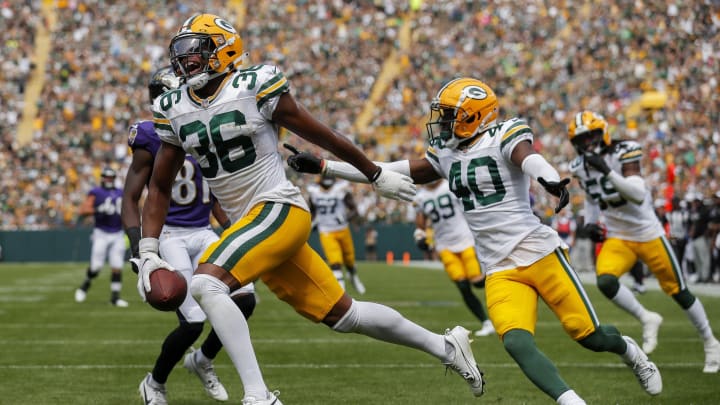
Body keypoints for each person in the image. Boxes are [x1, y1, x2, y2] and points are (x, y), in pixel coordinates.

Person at [137, 14, 485, 405]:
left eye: (195, 53)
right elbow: (160, 186)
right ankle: (446, 346)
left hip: (278, 208)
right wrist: (148, 250)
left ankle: (258, 395)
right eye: (181, 55)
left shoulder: (254, 84)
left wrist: (372, 173)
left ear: (223, 50)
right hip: (251, 226)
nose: (185, 63)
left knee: (205, 283)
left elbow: (322, 133)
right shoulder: (174, 107)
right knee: (344, 315)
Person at [287, 77, 662, 404]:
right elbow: (386, 171)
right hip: (499, 266)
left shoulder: (504, 134)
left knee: (591, 337)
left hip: (538, 251)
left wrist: (548, 177)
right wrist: (325, 166)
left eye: (450, 114)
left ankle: (631, 352)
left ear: (473, 115)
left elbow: (528, 157)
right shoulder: (446, 154)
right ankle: (571, 401)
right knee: (516, 343)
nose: (443, 122)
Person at [122, 66, 257, 404]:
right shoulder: (150, 135)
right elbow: (130, 196)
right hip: (169, 234)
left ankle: (203, 360)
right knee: (193, 321)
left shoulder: (202, 128)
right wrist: (140, 249)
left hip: (202, 229)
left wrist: (237, 231)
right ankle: (154, 383)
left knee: (246, 299)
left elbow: (213, 192)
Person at [567, 110, 720, 372]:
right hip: (618, 236)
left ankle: (710, 342)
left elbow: (637, 194)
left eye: (590, 135)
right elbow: (593, 198)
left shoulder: (624, 151)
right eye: (581, 139)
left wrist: (607, 172)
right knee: (605, 280)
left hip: (648, 233)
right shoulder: (579, 167)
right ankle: (646, 317)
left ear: (602, 131)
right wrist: (592, 223)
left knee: (679, 291)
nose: (587, 143)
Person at [413, 179, 494, 337]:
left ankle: (506, 286)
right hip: (444, 245)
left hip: (466, 239)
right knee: (463, 286)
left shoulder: (450, 185)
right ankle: (486, 322)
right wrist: (419, 235)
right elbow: (420, 221)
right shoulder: (420, 196)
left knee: (477, 282)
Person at [74, 167, 129, 307]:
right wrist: (98, 209)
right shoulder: (96, 192)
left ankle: (115, 298)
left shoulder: (120, 192)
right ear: (102, 177)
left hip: (117, 233)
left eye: (110, 177)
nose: (108, 180)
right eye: (106, 177)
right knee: (96, 267)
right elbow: (83, 210)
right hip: (101, 233)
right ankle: (84, 286)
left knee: (117, 266)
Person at [305, 173, 366, 294]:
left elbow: (354, 210)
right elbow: (312, 212)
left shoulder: (341, 190)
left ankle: (353, 277)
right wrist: (311, 222)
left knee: (349, 260)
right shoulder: (314, 192)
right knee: (335, 261)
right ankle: (341, 291)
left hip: (342, 229)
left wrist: (345, 218)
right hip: (326, 230)